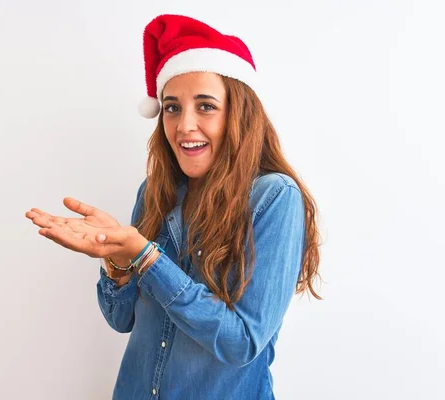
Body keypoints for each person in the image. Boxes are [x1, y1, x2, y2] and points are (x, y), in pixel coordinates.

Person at [25, 14, 322, 400]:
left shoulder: (273, 198)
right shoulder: (154, 192)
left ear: (239, 114)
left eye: (206, 106)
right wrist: (115, 257)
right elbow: (122, 318)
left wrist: (146, 258)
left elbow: (241, 343)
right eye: (172, 108)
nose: (184, 126)